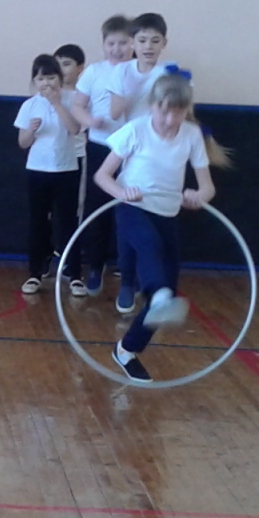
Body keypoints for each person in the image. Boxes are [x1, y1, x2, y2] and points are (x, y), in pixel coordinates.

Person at [93, 73, 221, 383]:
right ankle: (158, 293)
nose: (169, 119)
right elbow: (102, 176)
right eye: (163, 111)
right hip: (132, 208)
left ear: (186, 110)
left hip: (167, 213)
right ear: (152, 106)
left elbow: (207, 187)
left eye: (177, 113)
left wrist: (198, 197)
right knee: (149, 247)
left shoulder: (191, 135)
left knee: (166, 295)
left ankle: (126, 350)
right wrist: (122, 192)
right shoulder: (135, 130)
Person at [70, 15, 135, 295]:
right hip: (100, 145)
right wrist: (90, 121)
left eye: (123, 43)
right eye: (111, 43)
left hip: (134, 150)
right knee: (97, 206)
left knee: (131, 205)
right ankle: (95, 266)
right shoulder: (94, 72)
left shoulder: (139, 71)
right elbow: (77, 106)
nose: (117, 49)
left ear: (133, 44)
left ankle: (128, 268)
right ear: (103, 45)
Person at [14, 55, 84, 296]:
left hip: (67, 169)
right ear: (34, 81)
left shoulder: (72, 99)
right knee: (37, 222)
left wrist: (56, 103)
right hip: (37, 170)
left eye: (51, 77)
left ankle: (75, 275)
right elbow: (22, 143)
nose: (46, 83)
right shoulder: (30, 105)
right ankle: (35, 273)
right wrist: (31, 131)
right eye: (41, 78)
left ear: (60, 79)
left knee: (68, 222)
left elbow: (75, 128)